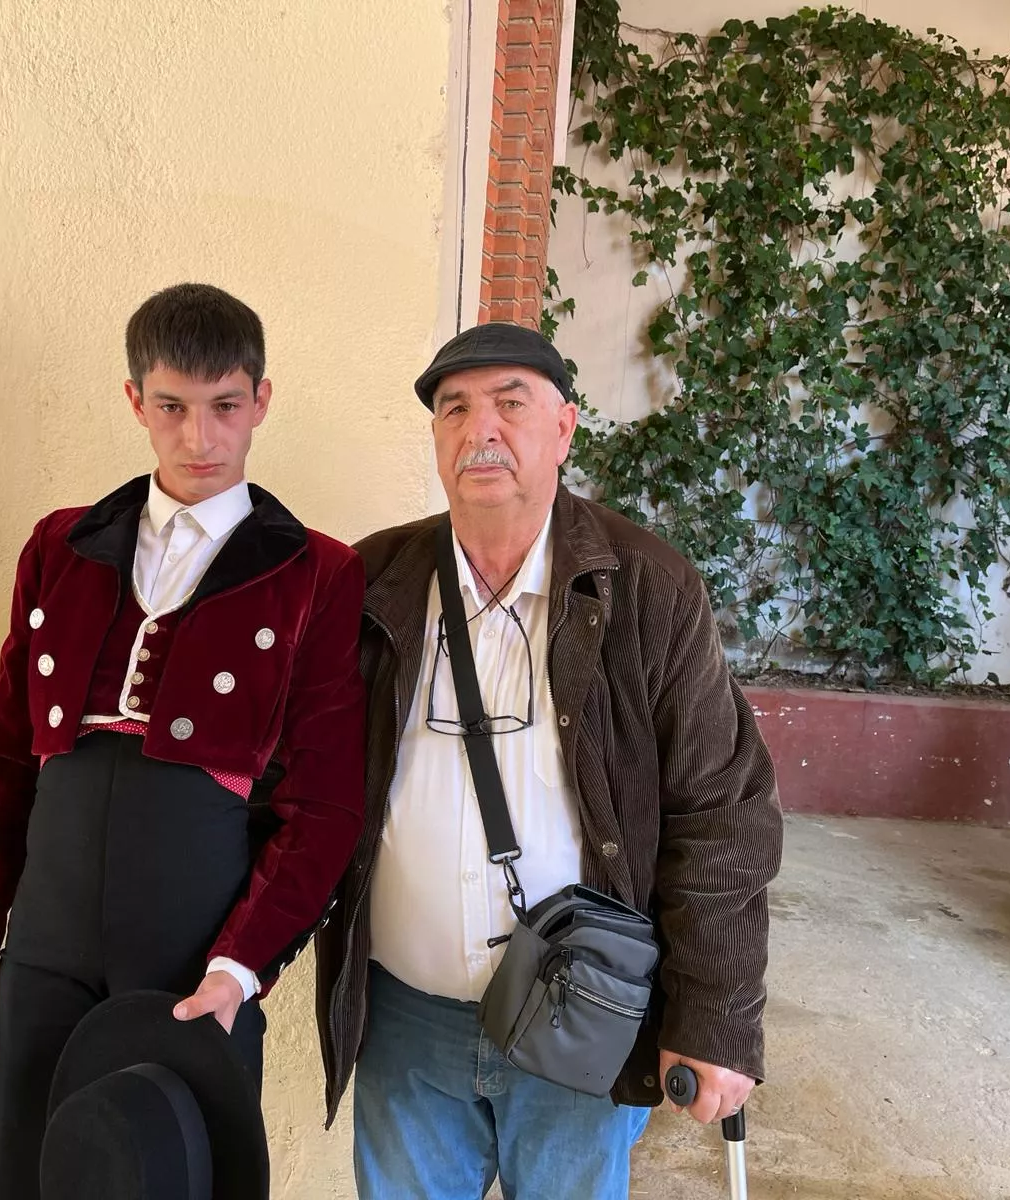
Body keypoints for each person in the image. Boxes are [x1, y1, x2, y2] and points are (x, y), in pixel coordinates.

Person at [315, 323, 784, 1199]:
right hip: (404, 1023)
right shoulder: (372, 580)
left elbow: (724, 810)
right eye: (454, 407)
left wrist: (715, 1013)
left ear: (564, 428)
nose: (478, 428)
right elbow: (303, 781)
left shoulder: (649, 585)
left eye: (509, 402)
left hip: (581, 1020)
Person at [0, 283, 367, 1199]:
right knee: (24, 1178)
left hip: (195, 957)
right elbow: (5, 767)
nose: (199, 439)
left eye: (224, 408)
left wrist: (242, 965)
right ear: (135, 401)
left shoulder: (315, 571)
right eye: (171, 407)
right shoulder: (59, 547)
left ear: (262, 402)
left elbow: (322, 806)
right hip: (44, 945)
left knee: (173, 1178)